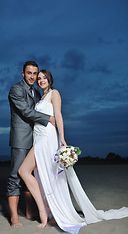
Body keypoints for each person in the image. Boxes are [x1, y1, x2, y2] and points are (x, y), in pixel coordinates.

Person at [18, 69, 128, 234]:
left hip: (47, 138)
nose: (41, 81)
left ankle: (44, 211)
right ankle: (49, 209)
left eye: (44, 78)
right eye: (39, 78)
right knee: (43, 174)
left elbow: (58, 115)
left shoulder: (54, 93)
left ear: (50, 80)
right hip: (38, 137)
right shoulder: (40, 98)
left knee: (27, 171)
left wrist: (62, 138)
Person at [6, 61, 55, 227]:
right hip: (20, 140)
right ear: (23, 74)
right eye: (29, 73)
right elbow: (26, 112)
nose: (33, 77)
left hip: (36, 140)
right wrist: (49, 119)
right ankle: (14, 217)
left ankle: (29, 212)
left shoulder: (36, 91)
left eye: (35, 74)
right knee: (15, 176)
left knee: (31, 176)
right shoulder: (16, 90)